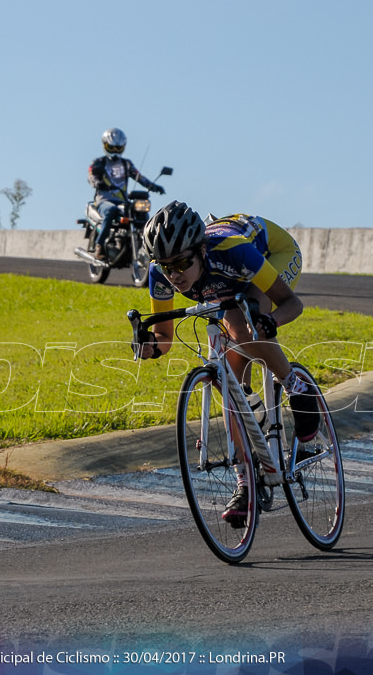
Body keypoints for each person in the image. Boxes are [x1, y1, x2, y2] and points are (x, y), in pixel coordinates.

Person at [137, 201, 325, 528]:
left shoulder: (232, 251)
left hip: (271, 253)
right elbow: (163, 337)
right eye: (166, 267)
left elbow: (292, 304)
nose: (175, 274)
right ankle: (245, 483)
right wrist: (148, 347)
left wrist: (270, 322)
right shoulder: (161, 273)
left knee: (247, 330)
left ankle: (296, 386)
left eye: (182, 263)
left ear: (200, 250)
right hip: (225, 284)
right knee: (231, 386)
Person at [87, 128, 165, 259]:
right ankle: (99, 246)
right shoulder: (99, 163)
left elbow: (139, 177)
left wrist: (154, 186)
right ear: (105, 145)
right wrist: (97, 183)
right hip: (104, 200)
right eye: (111, 147)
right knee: (110, 210)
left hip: (123, 202)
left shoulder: (126, 164)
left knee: (141, 214)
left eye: (119, 148)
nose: (115, 151)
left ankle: (143, 244)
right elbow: (91, 176)